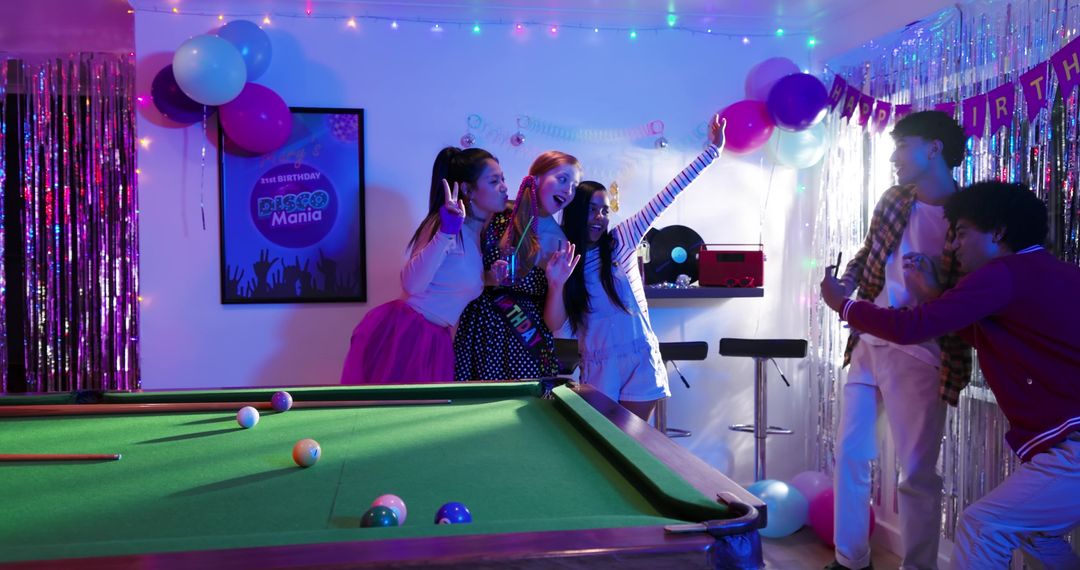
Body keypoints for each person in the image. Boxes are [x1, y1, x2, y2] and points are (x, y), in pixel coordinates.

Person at [821, 181, 1080, 569]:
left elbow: (911, 328)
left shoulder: (1004, 274)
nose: (954, 246)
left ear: (998, 232)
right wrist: (933, 297)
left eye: (961, 233)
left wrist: (843, 305)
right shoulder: (1048, 271)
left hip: (1072, 447)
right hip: (1065, 442)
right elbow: (981, 331)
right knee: (1037, 534)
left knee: (981, 525)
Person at [828, 110, 973, 570]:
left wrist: (934, 287)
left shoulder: (968, 216)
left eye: (903, 145)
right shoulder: (894, 199)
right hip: (869, 341)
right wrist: (847, 283)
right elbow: (870, 252)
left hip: (921, 353)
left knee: (916, 474)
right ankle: (850, 560)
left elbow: (974, 295)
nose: (893, 157)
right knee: (850, 455)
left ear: (934, 148)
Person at [559, 115, 725, 421]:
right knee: (603, 445)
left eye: (605, 211)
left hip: (640, 359)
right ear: (576, 212)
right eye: (592, 210)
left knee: (634, 443)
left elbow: (666, 196)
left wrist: (712, 152)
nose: (599, 218)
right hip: (600, 365)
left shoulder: (620, 240)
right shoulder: (565, 258)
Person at [340, 147, 507, 384]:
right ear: (468, 189)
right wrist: (446, 232)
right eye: (494, 181)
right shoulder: (446, 224)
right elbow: (412, 283)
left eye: (503, 179)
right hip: (409, 334)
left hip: (435, 337)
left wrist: (489, 278)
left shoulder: (474, 233)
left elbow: (448, 278)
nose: (504, 186)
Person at [454, 151, 581, 381]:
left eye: (574, 186)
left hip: (526, 346)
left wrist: (556, 284)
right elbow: (462, 269)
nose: (568, 191)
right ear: (537, 177)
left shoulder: (560, 242)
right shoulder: (498, 213)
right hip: (480, 334)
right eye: (562, 179)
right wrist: (490, 277)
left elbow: (554, 323)